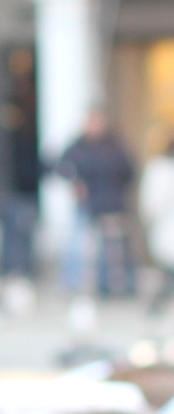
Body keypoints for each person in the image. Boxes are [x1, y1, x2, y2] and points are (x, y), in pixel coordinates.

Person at [57, 109, 137, 298]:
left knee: (110, 247)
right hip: (87, 202)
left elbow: (129, 170)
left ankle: (108, 285)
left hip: (110, 203)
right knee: (76, 244)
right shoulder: (78, 146)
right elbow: (62, 167)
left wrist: (118, 190)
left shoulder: (114, 146)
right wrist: (75, 182)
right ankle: (72, 283)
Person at [0, 81, 42, 290]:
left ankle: (24, 271)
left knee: (23, 236)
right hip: (8, 194)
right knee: (9, 238)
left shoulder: (26, 135)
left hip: (24, 193)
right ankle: (9, 270)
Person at [139, 137, 174, 315]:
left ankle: (155, 305)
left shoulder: (158, 170)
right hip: (166, 227)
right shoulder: (161, 170)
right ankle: (155, 305)